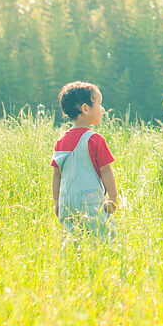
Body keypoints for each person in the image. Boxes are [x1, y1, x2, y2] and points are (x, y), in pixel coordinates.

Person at [51, 81, 118, 241]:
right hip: (90, 201)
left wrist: (56, 201)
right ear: (85, 108)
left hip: (67, 201)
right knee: (104, 237)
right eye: (99, 104)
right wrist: (113, 198)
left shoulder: (60, 140)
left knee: (72, 240)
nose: (102, 109)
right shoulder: (94, 140)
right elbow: (105, 170)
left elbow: (56, 174)